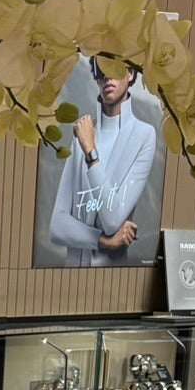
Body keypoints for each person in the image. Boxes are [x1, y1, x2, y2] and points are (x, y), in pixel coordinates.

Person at [49, 59, 157, 264]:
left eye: (114, 67)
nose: (107, 76)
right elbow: (57, 226)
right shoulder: (82, 136)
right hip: (70, 277)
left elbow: (112, 220)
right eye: (101, 70)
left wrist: (91, 152)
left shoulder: (144, 135)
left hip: (111, 278)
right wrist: (104, 242)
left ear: (130, 74)